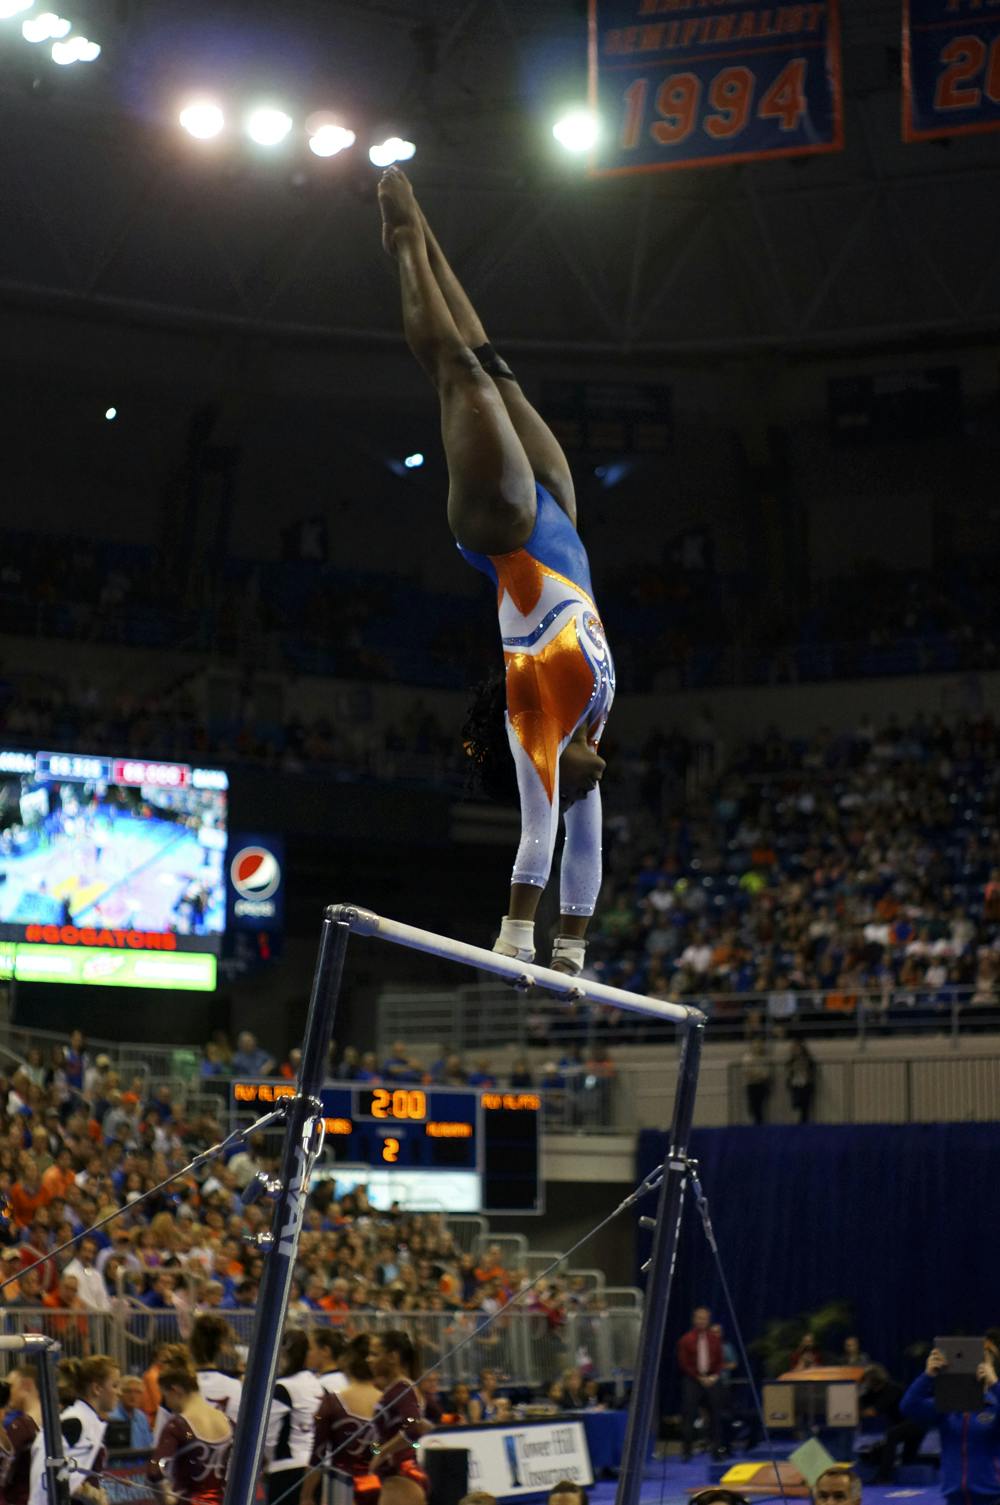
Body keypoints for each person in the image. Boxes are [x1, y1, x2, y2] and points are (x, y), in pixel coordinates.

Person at [378, 167, 614, 977]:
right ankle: (433, 233)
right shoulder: (594, 724)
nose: (598, 781)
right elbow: (590, 852)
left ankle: (404, 242)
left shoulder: (536, 727)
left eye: (583, 783)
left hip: (508, 532)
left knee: (458, 373)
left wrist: (520, 939)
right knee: (490, 358)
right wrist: (575, 949)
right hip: (560, 515)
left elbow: (544, 838)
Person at [901, 1344, 1000, 1505]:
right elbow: (908, 1407)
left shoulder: (994, 1405)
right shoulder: (947, 1405)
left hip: (992, 1498)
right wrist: (927, 1376)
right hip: (954, 1498)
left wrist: (994, 1383)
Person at [309, 1334, 384, 1505]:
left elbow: (317, 1455)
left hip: (342, 1487)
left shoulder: (332, 1402)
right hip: (380, 1487)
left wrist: (306, 1495)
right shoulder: (389, 1401)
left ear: (348, 1364)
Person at [152, 1358, 232, 1505]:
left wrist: (167, 1500)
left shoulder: (178, 1426)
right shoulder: (228, 1422)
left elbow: (155, 1471)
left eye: (165, 1396)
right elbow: (258, 1461)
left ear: (175, 1391)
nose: (167, 1403)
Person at [264, 1329, 324, 1505]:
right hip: (315, 1469)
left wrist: (267, 1463)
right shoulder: (317, 1384)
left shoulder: (283, 1388)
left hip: (287, 1470)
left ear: (282, 1354)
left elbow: (269, 1436)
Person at [56, 1355, 120, 1500]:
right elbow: (53, 1469)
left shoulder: (88, 1421)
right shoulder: (74, 1422)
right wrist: (87, 1492)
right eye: (114, 1386)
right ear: (97, 1388)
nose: (119, 1392)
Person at [677, 1306, 727, 1462]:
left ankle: (716, 1450)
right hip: (693, 1380)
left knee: (715, 1416)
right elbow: (684, 1363)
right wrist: (698, 1377)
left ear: (708, 1320)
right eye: (699, 1318)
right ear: (694, 1319)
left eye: (704, 1318)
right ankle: (686, 1451)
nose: (701, 1321)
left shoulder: (714, 1339)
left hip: (711, 1380)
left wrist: (714, 1376)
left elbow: (720, 1361)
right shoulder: (686, 1340)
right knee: (689, 1415)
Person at [190, 1313, 243, 1424]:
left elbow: (163, 1434)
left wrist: (190, 1436)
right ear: (222, 1346)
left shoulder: (178, 1385)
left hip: (189, 1438)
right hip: (230, 1438)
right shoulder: (238, 1385)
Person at [0, 1365, 41, 1505]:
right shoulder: (54, 1419)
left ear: (26, 1384)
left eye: (11, 1386)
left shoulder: (20, 1427)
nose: (8, 1393)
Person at [109, 1375, 155, 1449]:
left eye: (138, 1392)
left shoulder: (142, 1417)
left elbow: (149, 1444)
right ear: (120, 1394)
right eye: (128, 1391)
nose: (133, 1396)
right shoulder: (111, 1417)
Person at [309, 1326, 348, 1395]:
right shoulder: (346, 1378)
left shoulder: (328, 1384)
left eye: (310, 1348)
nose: (306, 1353)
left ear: (325, 1351)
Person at [786, 1041, 818, 1123]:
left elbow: (812, 1070)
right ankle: (797, 1123)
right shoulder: (791, 1061)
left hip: (805, 1086)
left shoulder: (807, 1060)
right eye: (795, 1049)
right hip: (795, 1085)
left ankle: (803, 1123)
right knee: (796, 1106)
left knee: (805, 1107)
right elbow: (788, 1072)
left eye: (798, 1048)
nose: (796, 1050)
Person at [741, 1039, 771, 1125]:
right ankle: (755, 1125)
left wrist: (757, 1075)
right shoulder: (748, 1057)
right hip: (751, 1085)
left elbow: (766, 1074)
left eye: (760, 1045)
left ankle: (760, 1125)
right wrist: (757, 1074)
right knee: (753, 1107)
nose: (758, 1047)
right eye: (756, 1045)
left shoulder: (764, 1058)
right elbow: (747, 1073)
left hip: (761, 1085)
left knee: (761, 1107)